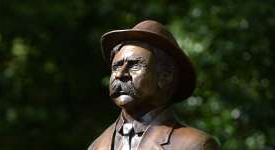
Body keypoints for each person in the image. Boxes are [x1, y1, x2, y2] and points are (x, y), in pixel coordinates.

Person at [88, 20, 219, 150]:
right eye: (116, 67)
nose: (120, 74)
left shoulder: (195, 145)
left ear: (165, 76)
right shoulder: (96, 146)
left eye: (134, 65)